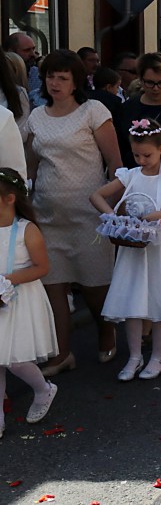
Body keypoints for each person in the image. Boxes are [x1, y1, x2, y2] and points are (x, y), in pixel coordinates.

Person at [27, 50, 123, 376]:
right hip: (48, 217)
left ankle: (106, 329)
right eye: (50, 76)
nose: (55, 83)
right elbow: (31, 166)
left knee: (95, 288)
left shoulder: (93, 111)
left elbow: (115, 164)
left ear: (76, 81)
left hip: (89, 215)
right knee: (54, 287)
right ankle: (62, 353)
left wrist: (114, 209)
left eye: (62, 77)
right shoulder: (37, 117)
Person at [90, 120, 161, 381]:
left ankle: (158, 355)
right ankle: (134, 356)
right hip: (134, 245)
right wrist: (115, 218)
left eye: (146, 155)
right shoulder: (131, 175)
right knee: (133, 299)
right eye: (136, 155)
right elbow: (97, 196)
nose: (141, 160)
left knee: (160, 299)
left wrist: (156, 215)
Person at [0, 168, 58, 436]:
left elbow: (41, 267)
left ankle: (43, 389)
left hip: (21, 300)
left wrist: (8, 280)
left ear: (10, 198)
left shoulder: (26, 230)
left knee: (15, 359)